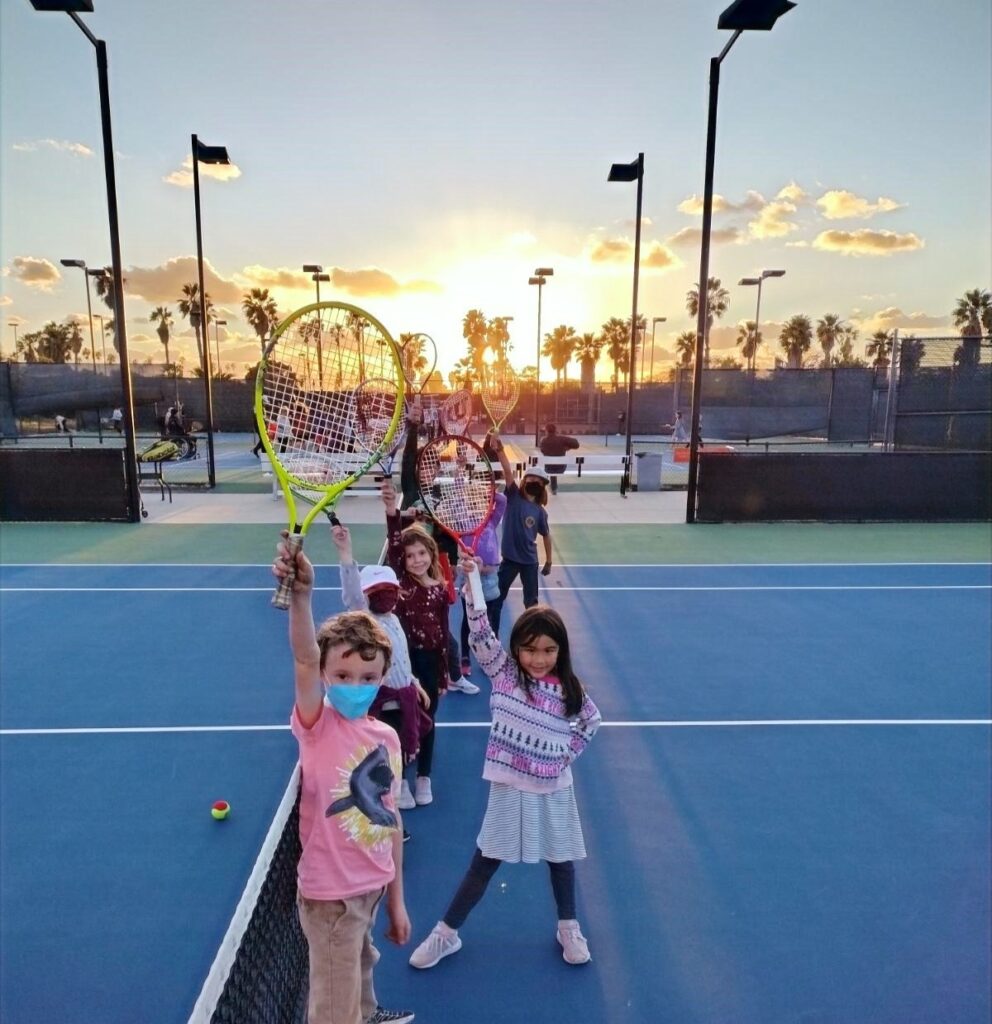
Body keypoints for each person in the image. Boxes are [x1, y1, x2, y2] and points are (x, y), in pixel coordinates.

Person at [408, 564, 601, 970]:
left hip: (554, 788)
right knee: (485, 861)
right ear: (516, 650)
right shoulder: (505, 674)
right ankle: (447, 934)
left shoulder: (569, 688)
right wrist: (473, 580)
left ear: (561, 651)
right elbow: (479, 633)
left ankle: (568, 926)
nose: (539, 658)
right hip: (509, 786)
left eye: (549, 650)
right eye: (530, 649)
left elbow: (591, 721)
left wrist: (566, 755)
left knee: (560, 860)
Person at [271, 537, 414, 1024]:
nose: (356, 685)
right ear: (328, 674)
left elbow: (389, 820)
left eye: (368, 676)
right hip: (330, 898)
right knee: (335, 1007)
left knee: (362, 966)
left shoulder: (387, 739)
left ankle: (369, 1015)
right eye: (344, 674)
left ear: (383, 677)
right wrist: (303, 597)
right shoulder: (318, 725)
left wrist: (396, 902)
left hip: (370, 887)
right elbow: (304, 659)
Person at [332, 522, 431, 820]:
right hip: (382, 705)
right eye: (377, 591)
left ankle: (404, 781)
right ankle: (394, 787)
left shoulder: (395, 620)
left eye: (389, 590)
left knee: (412, 738)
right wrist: (346, 552)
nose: (384, 595)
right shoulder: (365, 620)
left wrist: (415, 683)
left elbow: (401, 659)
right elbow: (351, 594)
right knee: (386, 749)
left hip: (407, 698)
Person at [382, 478, 455, 806]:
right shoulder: (401, 585)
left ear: (431, 554)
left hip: (430, 664)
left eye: (421, 553)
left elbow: (443, 632)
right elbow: (395, 545)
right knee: (405, 721)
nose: (415, 560)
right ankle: (404, 780)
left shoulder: (439, 590)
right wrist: (391, 512)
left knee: (428, 721)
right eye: (410, 556)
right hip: (404, 665)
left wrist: (444, 673)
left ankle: (424, 776)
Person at [488, 433, 553, 629]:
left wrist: (549, 561)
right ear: (525, 480)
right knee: (496, 599)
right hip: (509, 561)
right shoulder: (514, 495)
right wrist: (500, 449)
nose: (535, 482)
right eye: (532, 478)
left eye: (539, 481)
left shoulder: (540, 512)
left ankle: (530, 635)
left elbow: (546, 536)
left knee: (531, 604)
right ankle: (493, 638)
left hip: (529, 562)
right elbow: (508, 471)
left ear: (542, 487)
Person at [538, 423, 579, 496]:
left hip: (549, 468)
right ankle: (554, 488)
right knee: (555, 465)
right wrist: (566, 447)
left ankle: (552, 488)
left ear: (546, 431)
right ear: (555, 431)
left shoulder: (543, 441)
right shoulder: (562, 439)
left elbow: (543, 451)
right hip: (561, 468)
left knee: (551, 465)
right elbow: (576, 444)